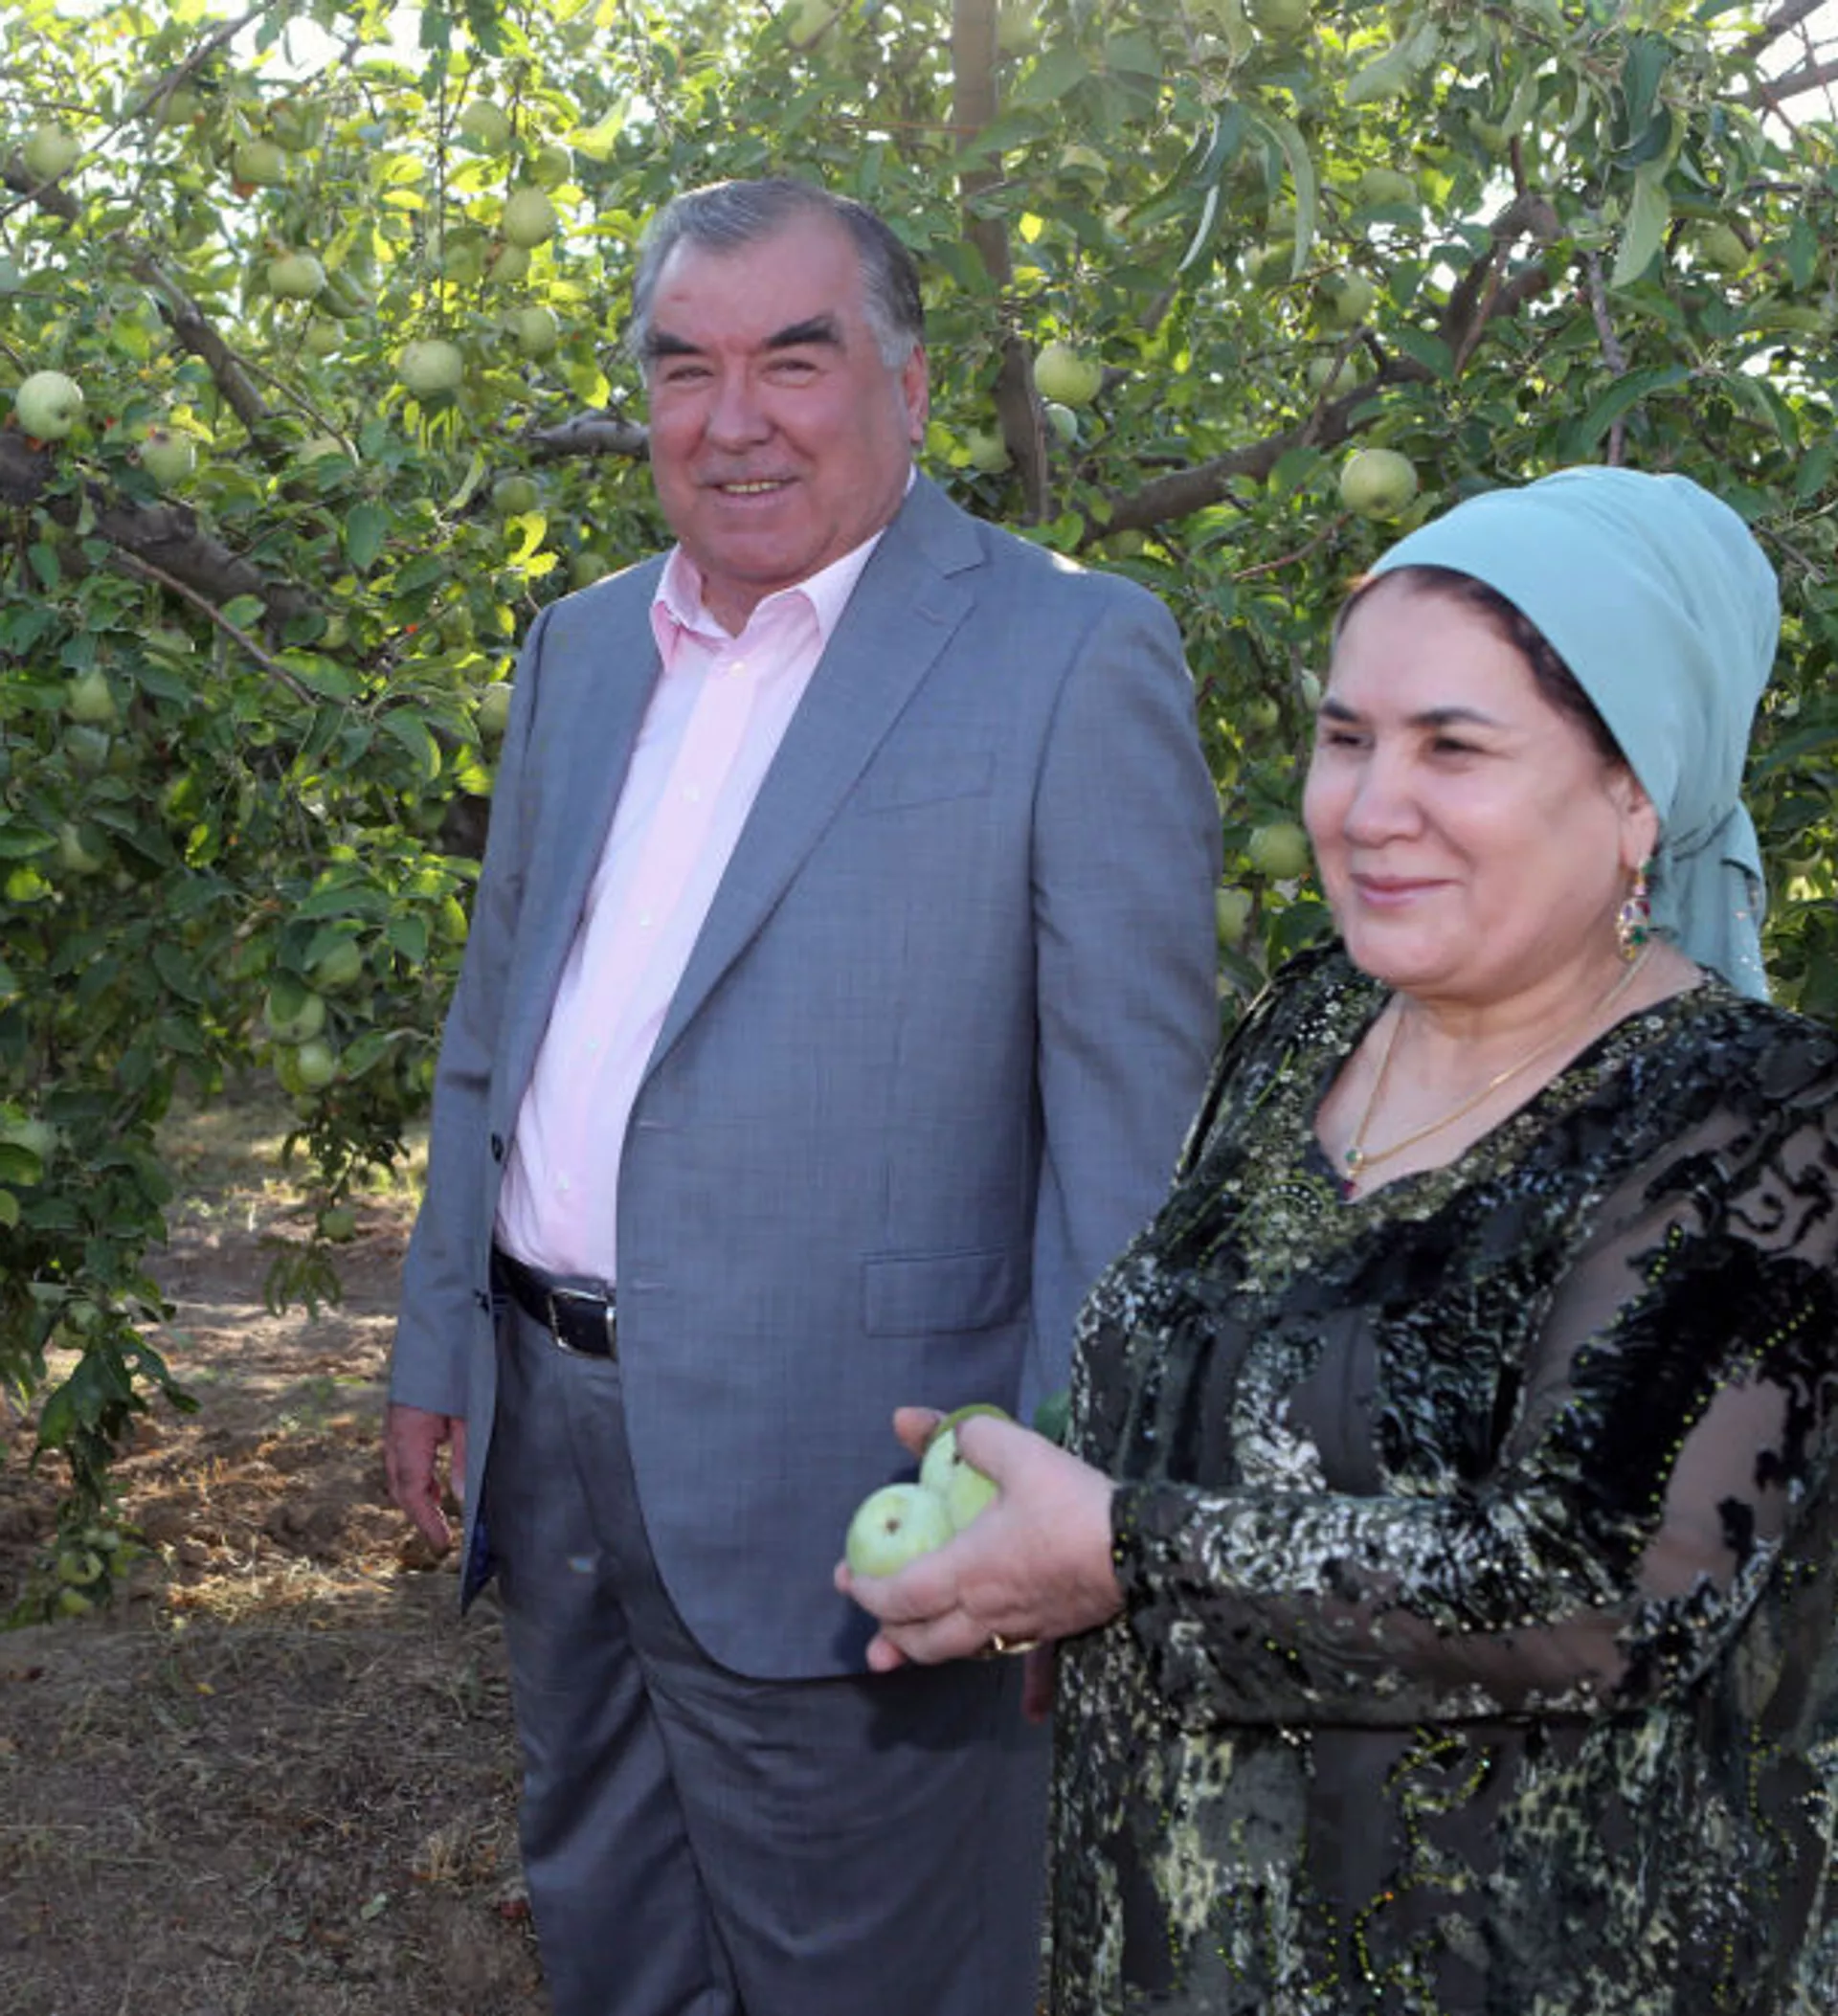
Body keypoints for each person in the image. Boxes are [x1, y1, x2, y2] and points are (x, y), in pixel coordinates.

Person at [383, 176, 1222, 2016]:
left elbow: (1129, 1148)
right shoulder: (582, 646)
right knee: (610, 1923)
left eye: (793, 358)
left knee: (871, 1969)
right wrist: (441, 1332)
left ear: (908, 386)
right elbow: (496, 1023)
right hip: (554, 1424)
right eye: (685, 368)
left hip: (862, 1477)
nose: (732, 417)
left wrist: (1070, 1487)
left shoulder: (1070, 654)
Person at [842, 464, 1838, 2014]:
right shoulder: (1311, 1020)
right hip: (1172, 1941)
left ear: (1633, 794)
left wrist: (1120, 1552)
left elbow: (1591, 1588)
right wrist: (1035, 1504)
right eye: (1347, 736)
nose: (1371, 809)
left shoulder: (1757, 1119)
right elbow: (1242, 1368)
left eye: (1455, 745)